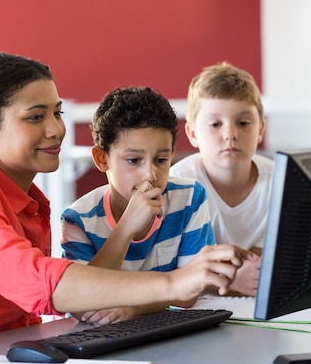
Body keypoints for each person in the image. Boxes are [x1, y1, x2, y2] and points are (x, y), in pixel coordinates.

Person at [0, 52, 257, 347]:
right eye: (35, 117)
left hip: (3, 355)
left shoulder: (30, 201)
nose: (56, 129)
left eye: (56, 113)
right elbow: (36, 281)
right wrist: (175, 281)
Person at [60, 86, 235, 325]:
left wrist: (134, 308)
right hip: (101, 337)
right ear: (102, 159)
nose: (150, 174)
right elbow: (83, 301)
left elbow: (190, 291)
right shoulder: (77, 220)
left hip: (161, 329)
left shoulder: (189, 198)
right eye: (133, 160)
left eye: (161, 160)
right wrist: (125, 229)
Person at [170, 62, 272, 296]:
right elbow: (173, 270)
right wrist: (231, 280)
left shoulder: (281, 182)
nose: (230, 134)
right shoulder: (178, 185)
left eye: (244, 123)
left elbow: (264, 266)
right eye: (215, 124)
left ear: (260, 130)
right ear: (193, 133)